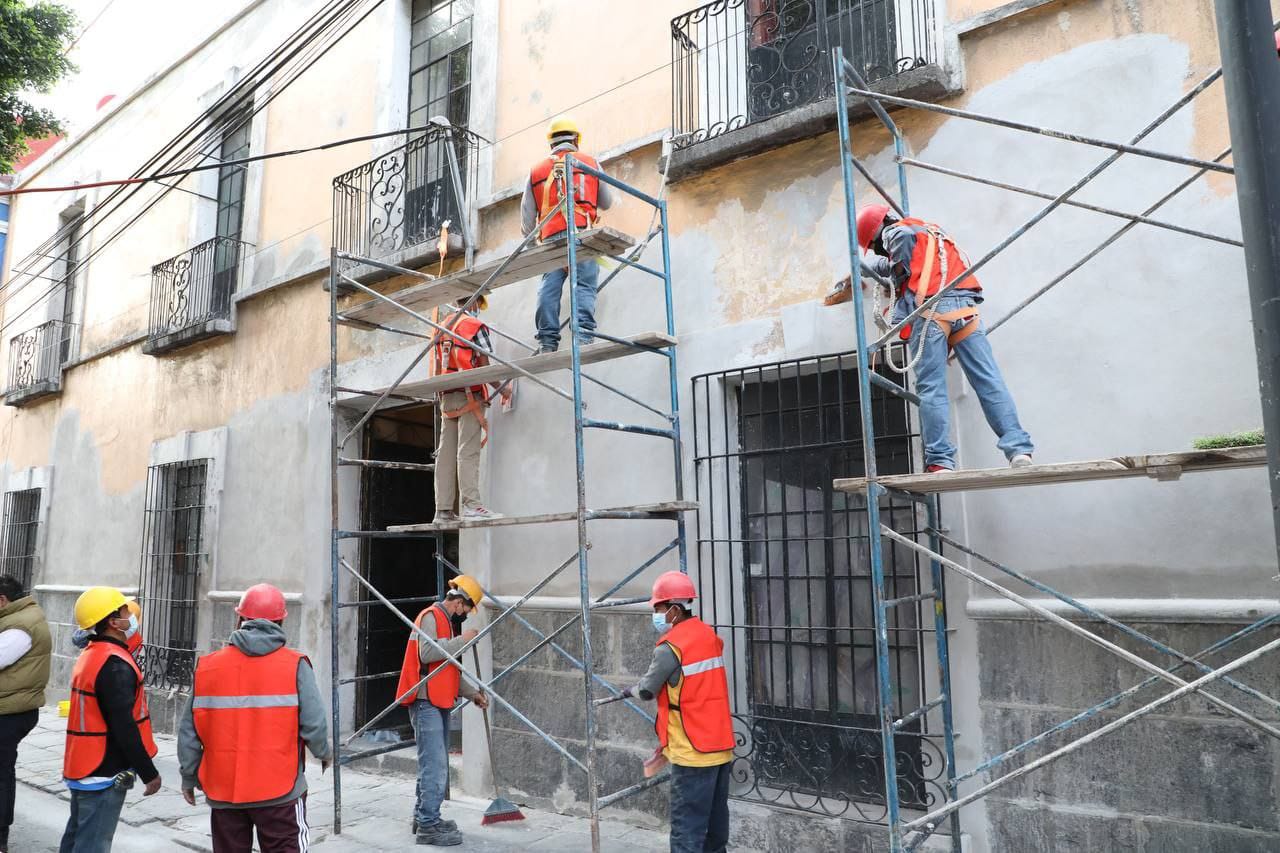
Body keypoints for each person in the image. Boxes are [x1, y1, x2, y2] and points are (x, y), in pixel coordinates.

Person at [857, 204, 1035, 472]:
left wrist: (886, 269)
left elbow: (899, 249)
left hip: (931, 311)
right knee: (989, 380)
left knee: (931, 388)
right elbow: (899, 262)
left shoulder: (896, 232)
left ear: (879, 230)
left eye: (875, 244)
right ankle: (1018, 450)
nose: (880, 247)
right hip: (966, 310)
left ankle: (940, 460)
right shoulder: (934, 234)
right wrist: (870, 267)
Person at [177, 583, 330, 853]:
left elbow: (189, 732)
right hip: (279, 790)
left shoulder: (208, 667)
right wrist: (325, 753)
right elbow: (314, 723)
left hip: (225, 792)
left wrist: (189, 777)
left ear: (240, 619)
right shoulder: (295, 664)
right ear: (281, 620)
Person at [618, 571, 734, 853]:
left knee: (686, 831)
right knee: (715, 827)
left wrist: (630, 690)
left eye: (658, 609)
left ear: (674, 609)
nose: (656, 615)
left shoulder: (671, 648)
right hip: (721, 744)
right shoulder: (708, 635)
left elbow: (648, 690)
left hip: (693, 750)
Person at [61, 587, 161, 853]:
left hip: (84, 764)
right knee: (92, 845)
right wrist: (148, 772)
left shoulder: (93, 654)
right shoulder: (115, 664)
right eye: (125, 610)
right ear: (114, 622)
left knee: (76, 840)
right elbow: (124, 726)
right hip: (103, 770)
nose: (131, 613)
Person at [395, 575, 489, 847]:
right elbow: (427, 654)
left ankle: (423, 816)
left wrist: (473, 694)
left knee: (434, 764)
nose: (464, 614)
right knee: (434, 765)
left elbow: (447, 668)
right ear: (460, 602)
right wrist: (465, 640)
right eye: (465, 609)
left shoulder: (445, 622)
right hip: (425, 701)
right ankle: (428, 825)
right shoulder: (430, 616)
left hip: (439, 699)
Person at [521, 116, 615, 354]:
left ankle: (547, 341)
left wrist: (533, 246)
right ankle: (583, 336)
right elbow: (606, 203)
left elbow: (527, 215)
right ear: (576, 140)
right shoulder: (590, 163)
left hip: (551, 237)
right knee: (583, 285)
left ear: (551, 144)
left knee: (549, 288)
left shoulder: (536, 171)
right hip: (581, 233)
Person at [431, 300, 511, 524]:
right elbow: (484, 369)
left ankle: (443, 511)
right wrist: (504, 389)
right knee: (468, 451)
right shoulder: (475, 326)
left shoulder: (442, 325)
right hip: (470, 395)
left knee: (445, 454)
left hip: (447, 396)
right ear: (475, 301)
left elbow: (437, 362)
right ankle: (472, 506)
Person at [0, 575, 50, 853]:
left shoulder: (21, 625)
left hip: (10, 711)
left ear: (2, 600)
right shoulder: (19, 617)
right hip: (11, 707)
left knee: (1, 774)